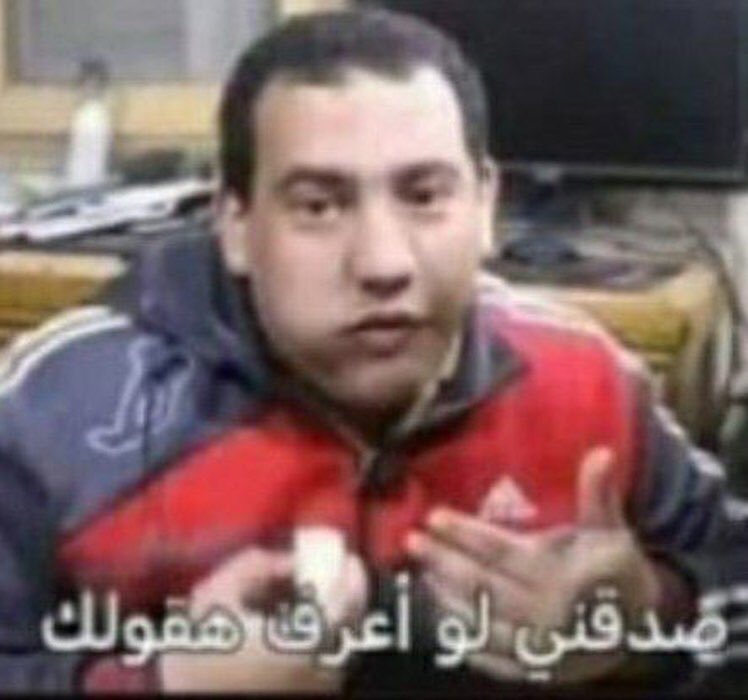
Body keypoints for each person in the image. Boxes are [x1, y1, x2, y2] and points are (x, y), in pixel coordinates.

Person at [0, 7, 745, 694]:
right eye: (319, 206)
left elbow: (731, 593)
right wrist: (165, 682)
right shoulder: (62, 407)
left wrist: (648, 616)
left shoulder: (585, 382)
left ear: (485, 204)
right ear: (235, 223)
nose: (384, 263)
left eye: (424, 196)